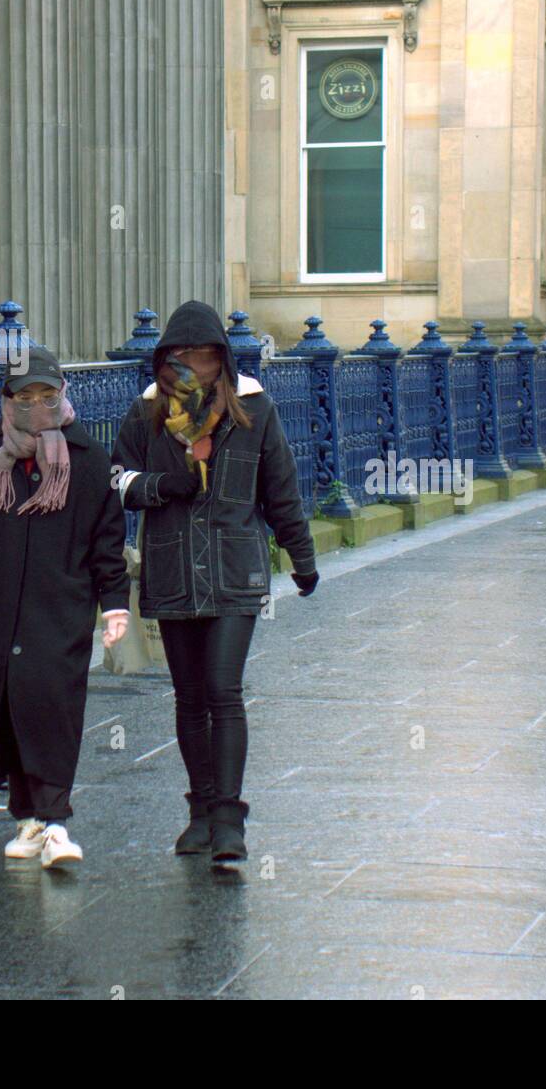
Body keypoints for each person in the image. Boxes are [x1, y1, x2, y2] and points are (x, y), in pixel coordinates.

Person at [112, 300, 318, 866]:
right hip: (172, 569)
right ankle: (199, 812)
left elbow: (280, 489)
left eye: (204, 356)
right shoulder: (146, 413)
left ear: (221, 358)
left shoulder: (253, 408)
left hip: (234, 569)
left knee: (223, 691)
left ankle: (229, 818)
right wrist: (162, 485)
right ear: (165, 358)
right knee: (189, 697)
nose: (193, 366)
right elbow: (116, 479)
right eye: (181, 356)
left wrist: (301, 557)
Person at [0, 345, 130, 870]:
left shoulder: (87, 461)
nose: (37, 404)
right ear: (7, 399)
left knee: (53, 705)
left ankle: (56, 820)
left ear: (62, 395)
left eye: (47, 394)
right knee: (9, 708)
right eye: (25, 395)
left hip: (59, 609)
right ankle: (28, 818)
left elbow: (107, 542)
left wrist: (115, 606)